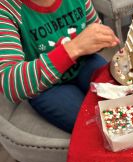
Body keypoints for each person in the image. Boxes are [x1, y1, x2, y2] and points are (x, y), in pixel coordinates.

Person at [0, 0, 120, 133]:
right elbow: (11, 83)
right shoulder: (7, 10)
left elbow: (95, 28)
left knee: (123, 102)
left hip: (85, 63)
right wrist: (74, 47)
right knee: (95, 126)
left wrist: (103, 39)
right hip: (48, 86)